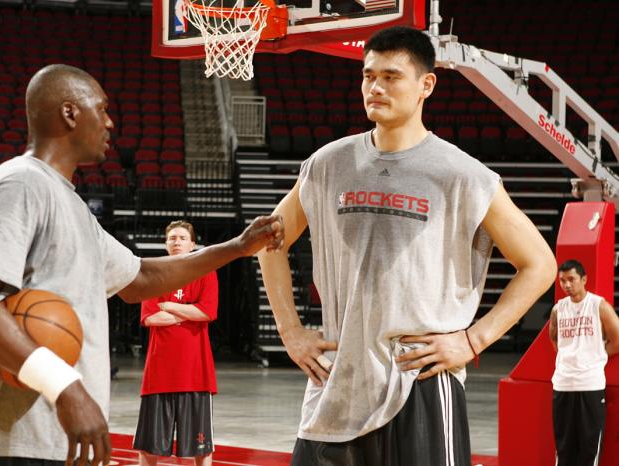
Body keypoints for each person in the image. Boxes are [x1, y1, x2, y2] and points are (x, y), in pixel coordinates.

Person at [0, 64, 283, 466]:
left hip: (53, 440)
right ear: (70, 113)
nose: (110, 122)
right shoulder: (21, 182)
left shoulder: (72, 206)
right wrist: (66, 388)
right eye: (101, 109)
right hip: (17, 444)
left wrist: (237, 247)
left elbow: (142, 278)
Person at [257, 26, 557, 465]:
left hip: (420, 381)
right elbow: (269, 240)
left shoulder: (464, 175)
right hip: (338, 380)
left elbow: (540, 264)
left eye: (391, 77)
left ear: (426, 85)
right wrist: (290, 331)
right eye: (368, 75)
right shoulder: (328, 164)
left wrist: (474, 340)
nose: (375, 87)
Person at [134, 220, 218, 466]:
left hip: (195, 372)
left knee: (202, 446)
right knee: (148, 445)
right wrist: (190, 311)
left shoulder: (206, 272)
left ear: (193, 244)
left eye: (182, 238)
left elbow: (208, 312)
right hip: (159, 371)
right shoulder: (155, 275)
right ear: (166, 244)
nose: (177, 242)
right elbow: (150, 318)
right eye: (172, 238)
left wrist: (170, 306)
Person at [548, 259, 619, 466]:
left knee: (589, 448)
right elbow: (555, 340)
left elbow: (617, 339)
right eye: (562, 281)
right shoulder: (558, 309)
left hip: (590, 384)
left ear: (584, 279)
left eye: (571, 279)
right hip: (563, 384)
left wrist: (596, 354)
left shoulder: (599, 305)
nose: (567, 285)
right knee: (564, 448)